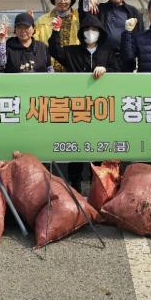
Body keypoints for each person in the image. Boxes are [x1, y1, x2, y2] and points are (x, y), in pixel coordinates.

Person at [48, 14, 119, 190]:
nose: (90, 33)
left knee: (98, 145)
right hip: (77, 108)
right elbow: (55, 51)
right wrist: (55, 32)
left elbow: (120, 70)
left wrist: (107, 69)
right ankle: (75, 183)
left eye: (94, 30)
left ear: (101, 33)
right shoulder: (72, 52)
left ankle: (98, 183)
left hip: (101, 109)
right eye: (87, 30)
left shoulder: (107, 53)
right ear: (81, 33)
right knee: (77, 145)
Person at [79, 0, 143, 71]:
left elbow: (140, 35)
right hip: (103, 58)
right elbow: (84, 17)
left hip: (126, 59)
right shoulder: (99, 9)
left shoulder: (133, 12)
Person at [33, 0, 81, 72]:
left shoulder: (79, 18)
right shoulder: (42, 20)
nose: (62, 1)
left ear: (71, 0)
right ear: (54, 0)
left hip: (74, 66)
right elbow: (35, 42)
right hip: (50, 67)